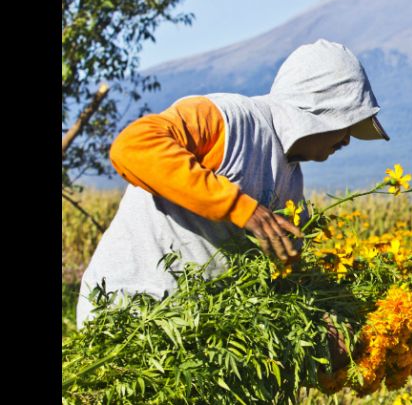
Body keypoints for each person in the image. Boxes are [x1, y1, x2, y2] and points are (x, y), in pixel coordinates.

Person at [75, 39, 390, 348]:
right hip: (129, 317)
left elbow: (281, 275)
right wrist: (240, 207)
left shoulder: (291, 184)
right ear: (318, 110)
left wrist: (325, 320)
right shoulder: (229, 119)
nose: (348, 139)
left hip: (190, 335)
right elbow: (134, 146)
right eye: (347, 125)